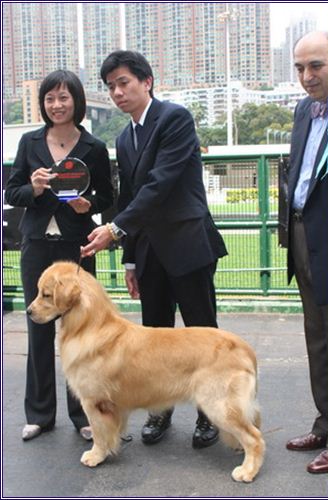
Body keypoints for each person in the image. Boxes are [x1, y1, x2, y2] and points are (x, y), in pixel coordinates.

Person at [81, 50, 227, 448]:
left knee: (202, 335)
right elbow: (130, 196)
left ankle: (209, 414)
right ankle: (160, 412)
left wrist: (113, 228)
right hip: (148, 252)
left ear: (147, 81)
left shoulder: (174, 118)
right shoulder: (125, 137)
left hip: (187, 243)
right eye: (110, 86)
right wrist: (129, 257)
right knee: (153, 339)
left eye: (123, 82)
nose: (116, 92)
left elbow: (160, 184)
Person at [5, 70, 114, 442]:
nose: (57, 105)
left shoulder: (94, 148)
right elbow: (12, 191)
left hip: (76, 246)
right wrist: (32, 188)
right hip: (37, 244)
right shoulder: (30, 141)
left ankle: (83, 415)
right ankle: (38, 414)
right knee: (38, 329)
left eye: (64, 98)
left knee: (81, 334)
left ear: (77, 102)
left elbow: (108, 199)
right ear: (43, 103)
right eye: (50, 98)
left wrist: (90, 207)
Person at [283, 32, 328, 474]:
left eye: (316, 65)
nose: (306, 76)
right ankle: (325, 424)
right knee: (317, 338)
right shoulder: (304, 110)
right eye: (299, 68)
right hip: (302, 236)